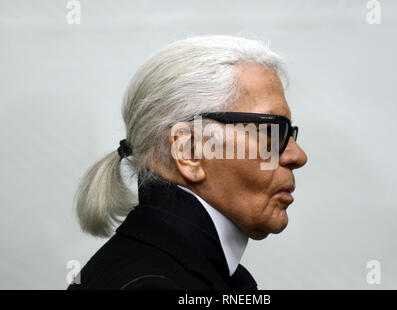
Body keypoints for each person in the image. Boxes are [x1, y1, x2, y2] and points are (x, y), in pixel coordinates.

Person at [68, 35, 307, 290]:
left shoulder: (169, 272)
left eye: (287, 133)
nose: (298, 156)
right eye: (271, 131)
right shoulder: (155, 286)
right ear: (190, 151)